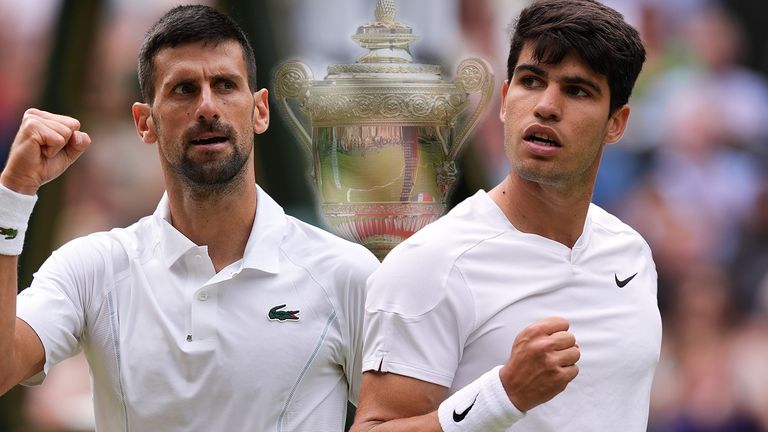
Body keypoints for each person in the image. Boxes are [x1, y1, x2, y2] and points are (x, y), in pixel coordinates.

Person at [0, 5, 379, 431]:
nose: (207, 106)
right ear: (145, 122)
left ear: (260, 111)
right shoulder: (92, 268)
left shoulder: (345, 273)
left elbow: (397, 417)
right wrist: (13, 194)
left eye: (225, 85)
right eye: (183, 89)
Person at [351, 0, 661, 431]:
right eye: (531, 81)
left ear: (616, 123)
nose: (546, 106)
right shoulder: (430, 263)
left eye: (577, 90)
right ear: (503, 98)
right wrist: (504, 395)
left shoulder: (632, 254)